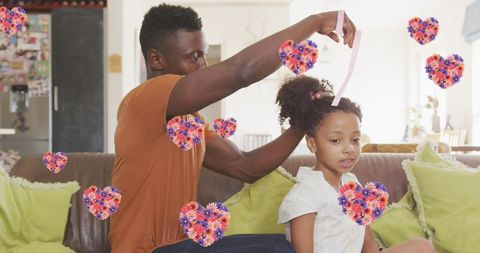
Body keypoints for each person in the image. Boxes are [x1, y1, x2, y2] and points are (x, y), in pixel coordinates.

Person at [109, 3, 358, 253]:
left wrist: (303, 122)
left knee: (280, 245)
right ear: (156, 59)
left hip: (181, 247)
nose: (204, 64)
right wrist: (314, 22)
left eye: (203, 54)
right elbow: (241, 72)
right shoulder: (144, 99)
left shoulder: (190, 123)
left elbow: (246, 166)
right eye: (194, 56)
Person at [276, 76, 436, 253]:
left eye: (355, 139)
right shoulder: (304, 197)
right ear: (312, 143)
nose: (349, 149)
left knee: (421, 246)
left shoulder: (352, 183)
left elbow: (368, 243)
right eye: (335, 140)